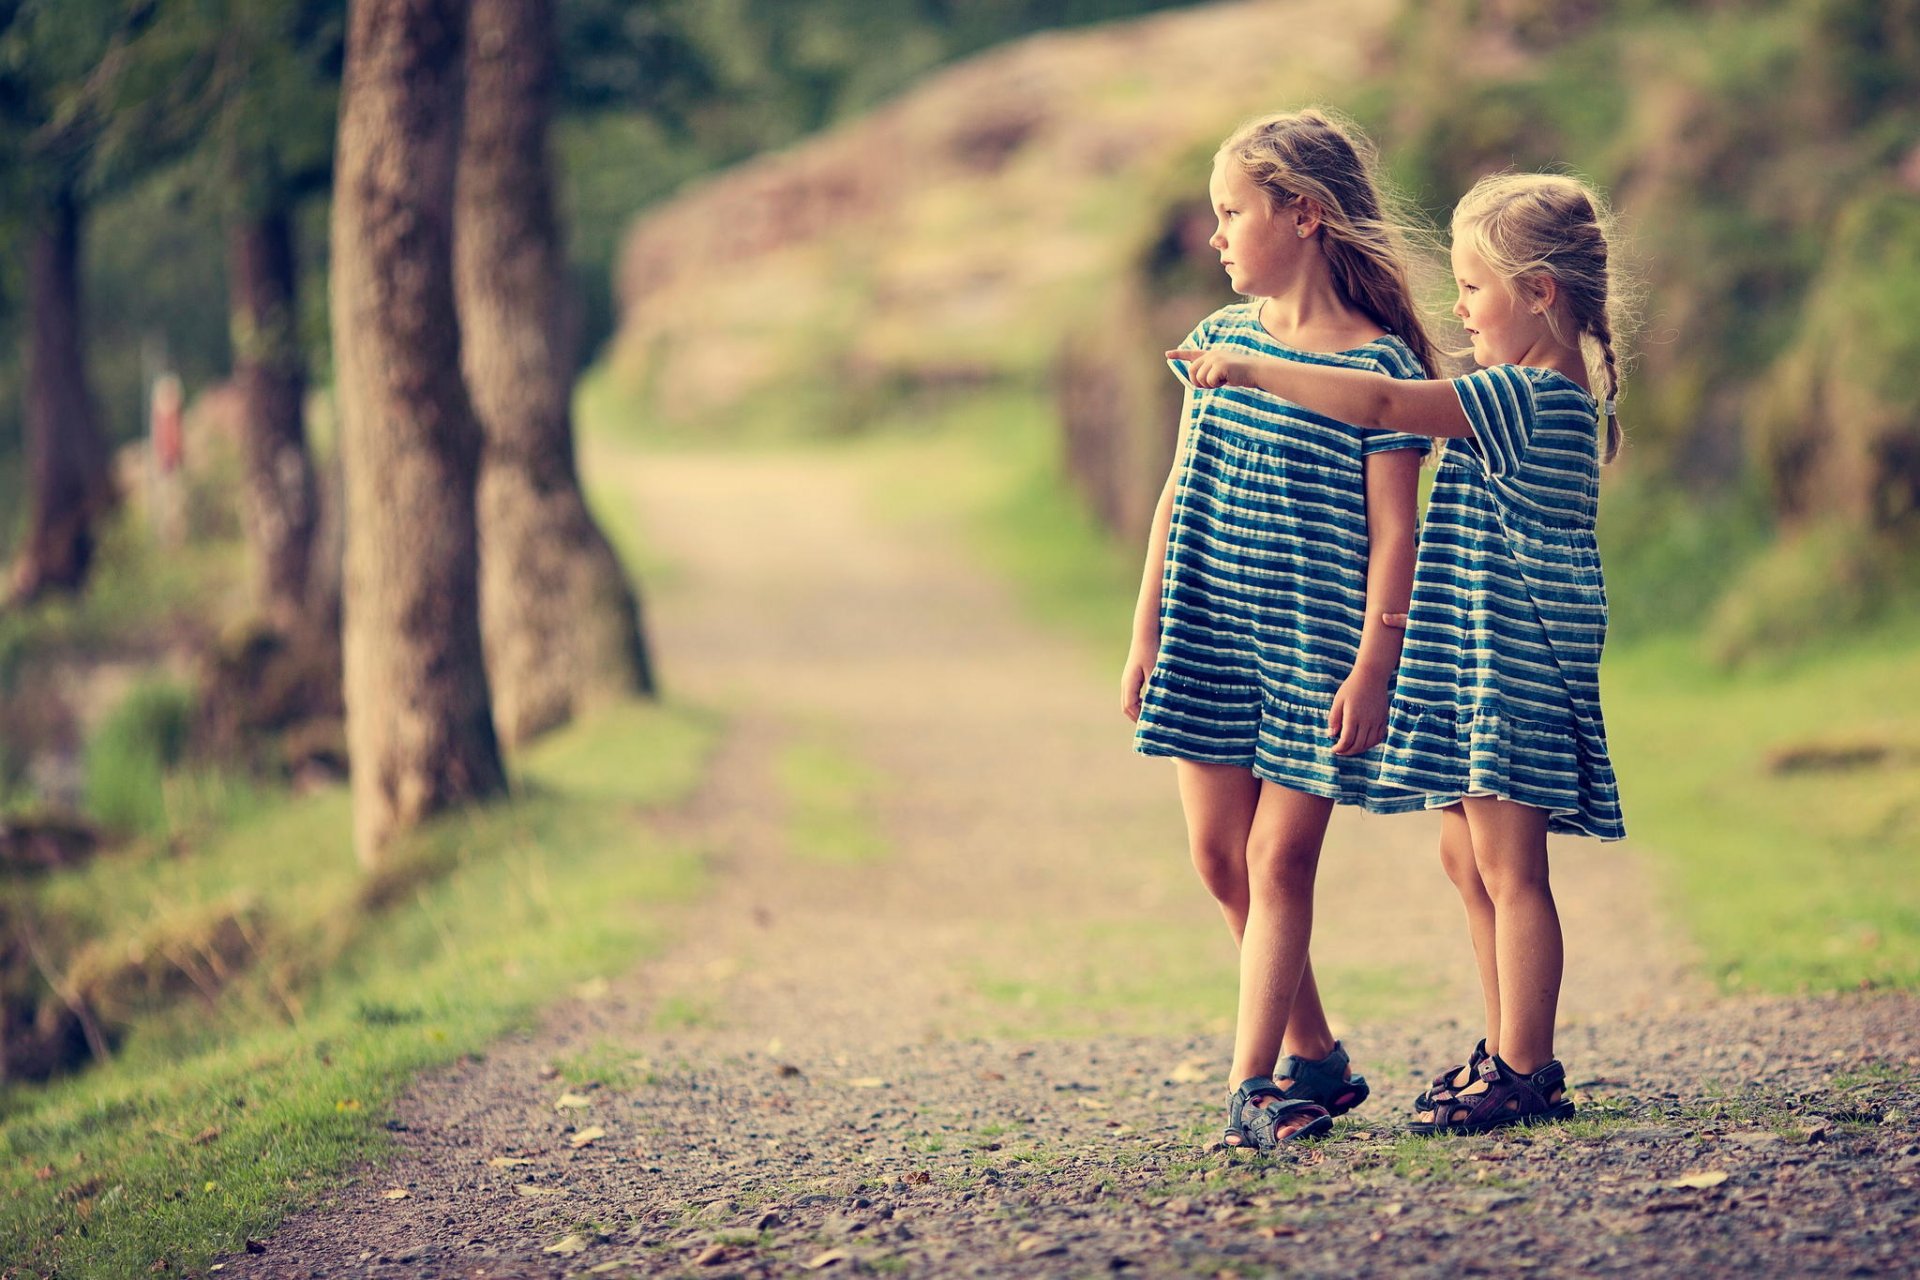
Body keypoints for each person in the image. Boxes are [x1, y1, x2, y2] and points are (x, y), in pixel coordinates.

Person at [1167, 170, 1630, 1134]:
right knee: (1469, 864)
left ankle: (1525, 1066)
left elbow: (1381, 404)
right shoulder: (1535, 390)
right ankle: (1502, 1049)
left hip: (1513, 671)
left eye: (1471, 288)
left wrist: (1255, 369)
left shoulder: (1530, 396)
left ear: (1538, 293)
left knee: (1512, 871)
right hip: (1479, 667)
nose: (1456, 310)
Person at [1121, 108, 1440, 1150]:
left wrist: (1376, 664)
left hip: (1318, 650)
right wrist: (1146, 625)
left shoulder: (1381, 369)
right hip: (1211, 628)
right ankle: (1318, 1057)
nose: (1215, 235)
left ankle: (1253, 1085)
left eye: (1230, 212)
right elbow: (1176, 490)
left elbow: (1398, 535)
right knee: (1221, 859)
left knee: (1277, 858)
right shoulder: (1214, 344)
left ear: (1302, 213)